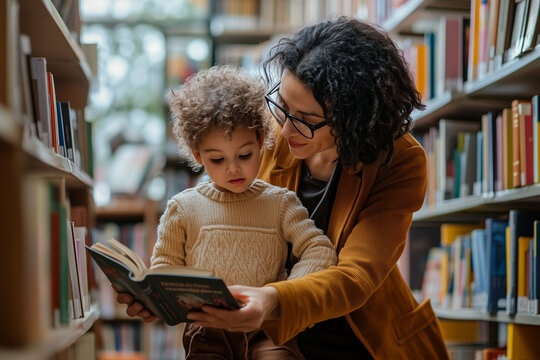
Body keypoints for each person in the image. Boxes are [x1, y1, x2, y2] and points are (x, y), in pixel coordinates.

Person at [118, 17, 450, 359]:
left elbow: (356, 276)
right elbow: (221, 218)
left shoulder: (400, 160)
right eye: (283, 106)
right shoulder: (265, 135)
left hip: (360, 339)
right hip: (268, 339)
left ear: (350, 120)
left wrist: (274, 299)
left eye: (304, 120)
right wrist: (161, 292)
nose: (284, 129)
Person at [127, 65, 337, 359]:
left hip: (268, 328)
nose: (233, 168)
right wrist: (154, 300)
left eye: (245, 154)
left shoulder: (281, 203)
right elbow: (165, 270)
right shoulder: (182, 208)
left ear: (262, 140)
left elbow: (319, 251)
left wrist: (283, 295)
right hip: (206, 331)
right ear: (198, 155)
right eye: (217, 159)